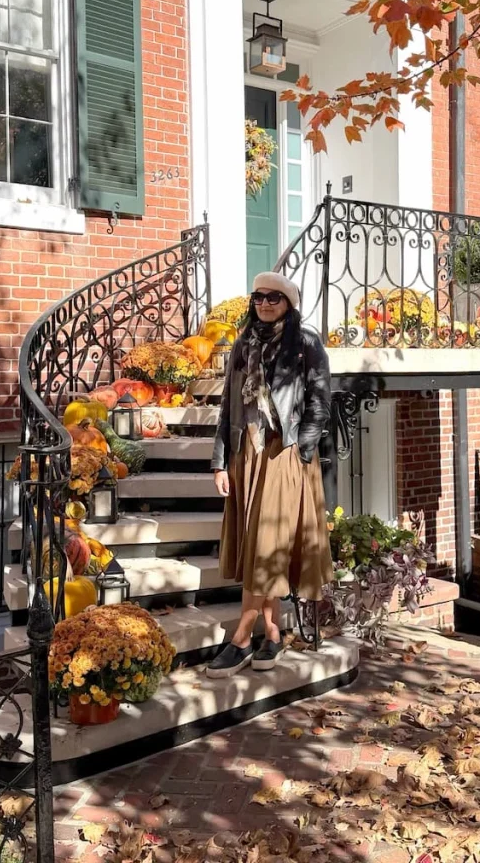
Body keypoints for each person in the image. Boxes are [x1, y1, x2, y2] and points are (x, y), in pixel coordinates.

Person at [206, 272, 334, 678]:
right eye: (258, 297)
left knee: (267, 544)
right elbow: (229, 403)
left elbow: (320, 399)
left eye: (273, 298)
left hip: (286, 452)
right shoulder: (244, 342)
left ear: (289, 304)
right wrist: (220, 460)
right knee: (257, 546)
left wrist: (305, 446)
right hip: (248, 452)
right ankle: (274, 632)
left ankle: (242, 636)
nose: (264, 304)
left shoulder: (306, 343)